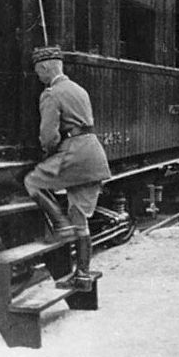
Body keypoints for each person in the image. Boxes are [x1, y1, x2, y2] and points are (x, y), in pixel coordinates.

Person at [24, 45, 111, 290]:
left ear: (44, 68)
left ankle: (60, 225)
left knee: (32, 182)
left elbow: (49, 136)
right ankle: (82, 274)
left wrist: (46, 155)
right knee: (80, 218)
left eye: (38, 72)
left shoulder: (51, 94)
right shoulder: (79, 89)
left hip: (73, 154)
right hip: (94, 155)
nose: (38, 77)